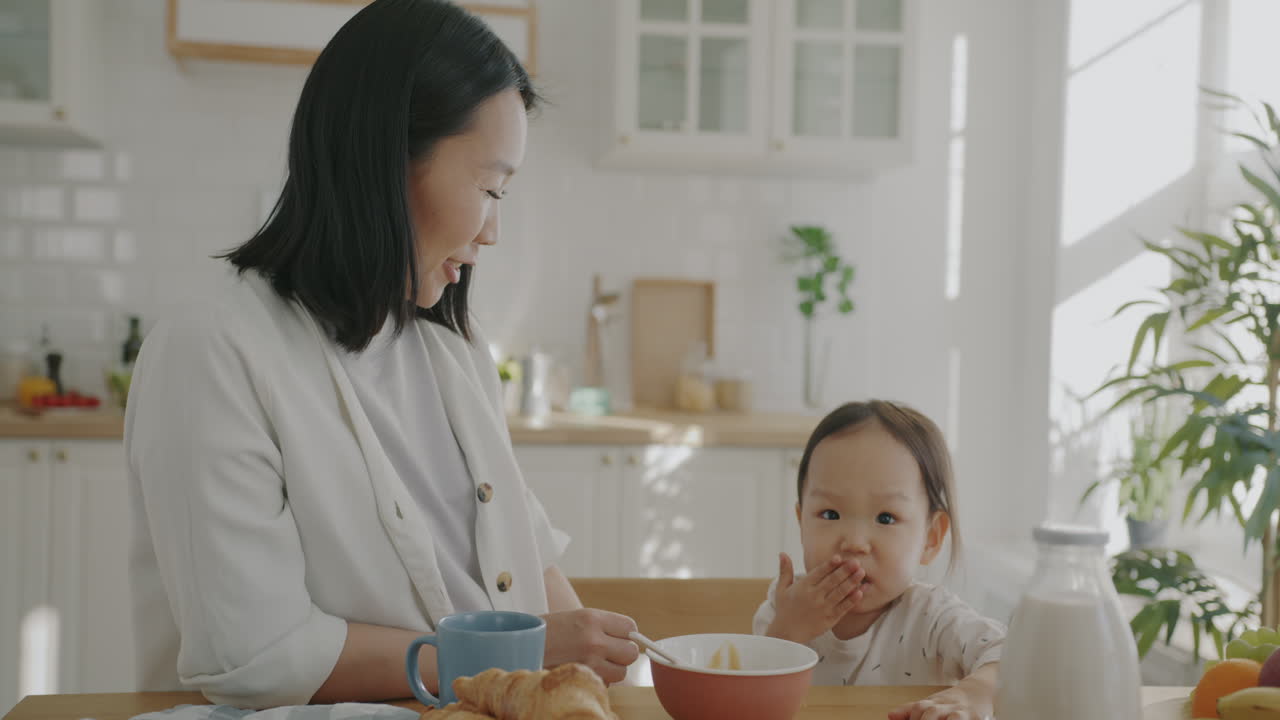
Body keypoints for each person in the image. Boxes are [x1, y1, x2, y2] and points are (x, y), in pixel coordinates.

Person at [124, 0, 638, 709]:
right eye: (490, 188)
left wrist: (581, 674)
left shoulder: (450, 348)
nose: (493, 231)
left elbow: (526, 554)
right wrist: (522, 652)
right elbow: (255, 655)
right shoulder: (211, 351)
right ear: (386, 159)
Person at [753, 400, 1003, 720]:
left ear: (931, 537)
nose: (855, 543)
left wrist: (975, 693)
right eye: (830, 514)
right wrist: (787, 633)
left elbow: (1010, 655)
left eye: (885, 518)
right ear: (801, 522)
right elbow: (751, 699)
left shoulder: (933, 617)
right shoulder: (783, 607)